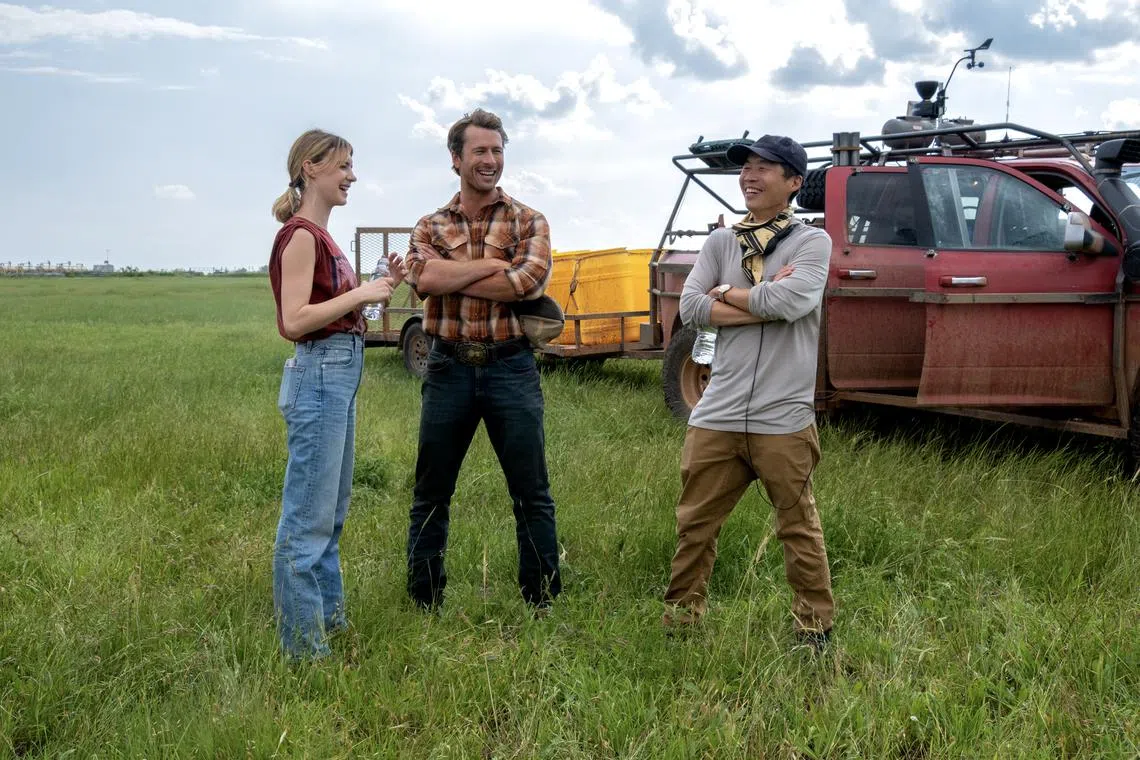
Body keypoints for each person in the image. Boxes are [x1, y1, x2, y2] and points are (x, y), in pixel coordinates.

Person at [662, 134, 835, 650]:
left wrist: (728, 293)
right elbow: (690, 308)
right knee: (695, 526)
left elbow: (792, 299)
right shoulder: (721, 243)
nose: (750, 176)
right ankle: (682, 622)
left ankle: (814, 628)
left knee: (797, 526)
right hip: (717, 412)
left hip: (782, 416)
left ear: (794, 183)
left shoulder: (810, 243)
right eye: (746, 168)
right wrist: (758, 300)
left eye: (766, 167)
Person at [403, 108, 560, 613]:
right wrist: (492, 264)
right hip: (446, 367)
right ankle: (425, 599)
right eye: (479, 152)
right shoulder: (429, 224)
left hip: (510, 368)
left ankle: (541, 599)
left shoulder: (529, 220)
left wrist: (453, 272)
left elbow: (526, 283)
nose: (490, 161)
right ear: (456, 159)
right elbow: (422, 282)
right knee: (432, 491)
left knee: (531, 491)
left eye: (497, 151)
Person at [267, 128, 402, 659]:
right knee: (306, 520)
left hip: (338, 374)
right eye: (344, 166)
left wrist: (377, 284)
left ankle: (330, 624)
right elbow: (295, 321)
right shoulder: (300, 235)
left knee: (330, 512)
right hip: (320, 375)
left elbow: (346, 315)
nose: (353, 176)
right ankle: (304, 653)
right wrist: (363, 293)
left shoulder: (324, 239)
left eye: (352, 165)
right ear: (310, 169)